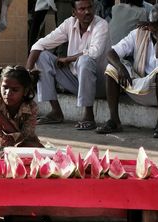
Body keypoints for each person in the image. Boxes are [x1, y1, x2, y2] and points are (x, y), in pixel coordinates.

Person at [96, 3, 158, 138]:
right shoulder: (138, 33)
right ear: (149, 22)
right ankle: (114, 120)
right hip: (140, 87)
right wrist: (120, 68)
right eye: (156, 23)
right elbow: (111, 53)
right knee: (111, 67)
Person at [26, 0, 110, 130]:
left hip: (101, 85)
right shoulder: (69, 24)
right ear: (74, 12)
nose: (87, 12)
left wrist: (68, 59)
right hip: (77, 82)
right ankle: (55, 112)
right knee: (42, 56)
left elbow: (94, 52)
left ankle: (89, 116)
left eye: (89, 8)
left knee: (85, 60)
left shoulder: (101, 24)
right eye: (82, 9)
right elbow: (40, 44)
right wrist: (28, 71)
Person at [0, 65, 44, 156]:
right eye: (5, 87)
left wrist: (3, 120)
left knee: (40, 152)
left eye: (15, 90)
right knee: (4, 155)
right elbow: (1, 139)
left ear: (25, 91)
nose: (8, 93)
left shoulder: (31, 106)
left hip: (25, 142)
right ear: (0, 85)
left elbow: (26, 137)